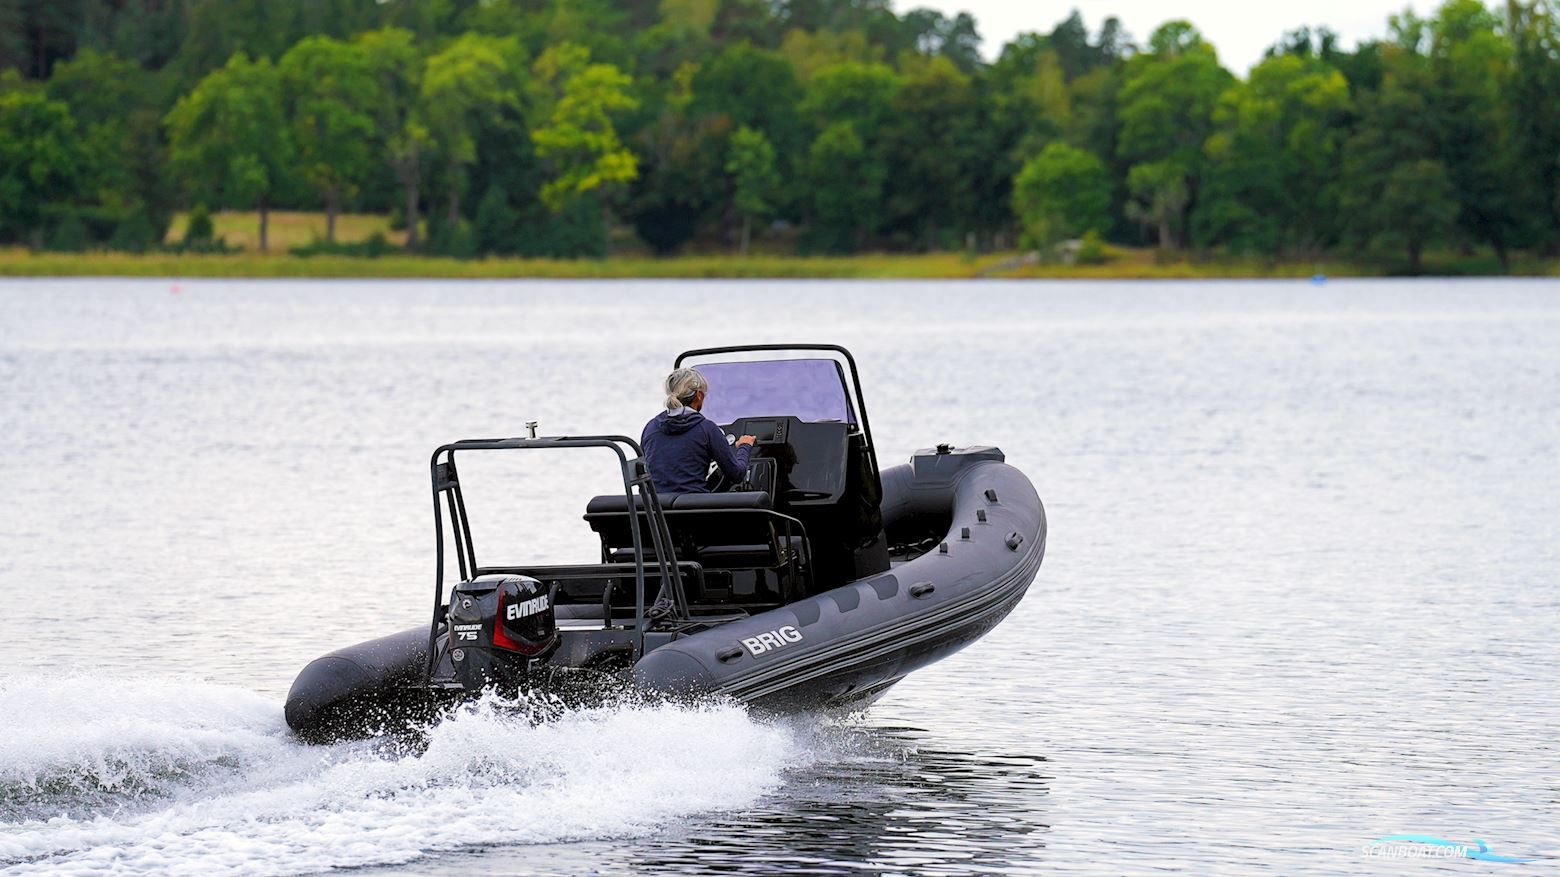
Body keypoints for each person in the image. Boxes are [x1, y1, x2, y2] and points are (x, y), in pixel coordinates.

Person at [642, 367, 756, 494]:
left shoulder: (650, 428)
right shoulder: (707, 429)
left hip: (656, 510)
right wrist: (744, 446)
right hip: (694, 510)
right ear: (699, 395)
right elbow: (736, 474)